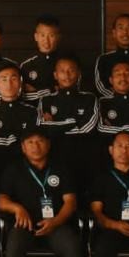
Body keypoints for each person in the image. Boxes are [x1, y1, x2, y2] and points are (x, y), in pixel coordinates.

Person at [0, 129, 82, 257]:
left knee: (72, 245)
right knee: (14, 245)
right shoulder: (14, 169)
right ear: (23, 147)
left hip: (55, 225)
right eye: (30, 142)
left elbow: (70, 202)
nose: (35, 146)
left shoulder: (61, 168)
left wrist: (55, 221)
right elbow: (1, 200)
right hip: (25, 226)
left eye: (40, 141)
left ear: (48, 145)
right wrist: (17, 208)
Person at [39, 54, 99, 198]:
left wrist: (55, 125)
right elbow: (43, 128)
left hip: (84, 157)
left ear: (78, 73)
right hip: (55, 157)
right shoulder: (46, 100)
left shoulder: (89, 98)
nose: (66, 75)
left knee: (83, 198)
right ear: (55, 75)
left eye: (71, 70)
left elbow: (87, 129)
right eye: (62, 71)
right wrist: (73, 123)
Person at [0, 62, 40, 189]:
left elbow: (32, 143)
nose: (9, 83)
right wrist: (17, 141)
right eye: (4, 79)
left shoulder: (32, 111)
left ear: (20, 83)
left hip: (24, 168)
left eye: (14, 78)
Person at [19, 15, 61, 105]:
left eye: (51, 35)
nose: (46, 40)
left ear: (58, 37)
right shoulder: (26, 65)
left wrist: (36, 91)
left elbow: (70, 92)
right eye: (42, 35)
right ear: (36, 37)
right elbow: (22, 96)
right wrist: (52, 89)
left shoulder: (67, 63)